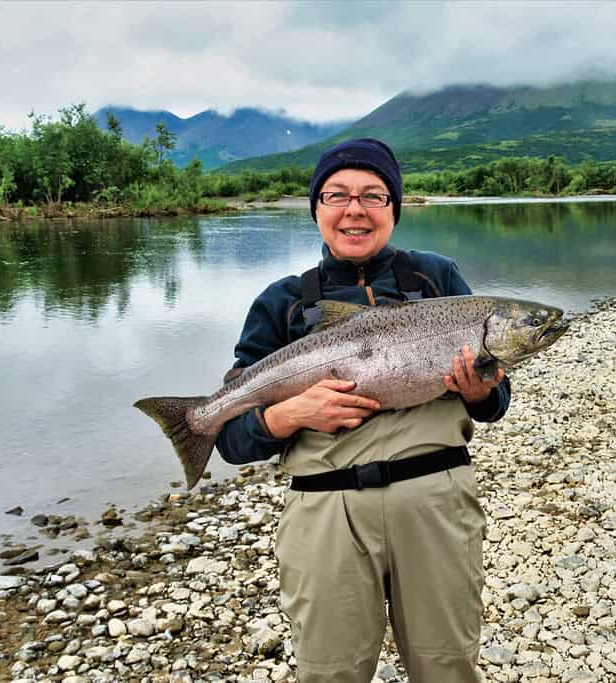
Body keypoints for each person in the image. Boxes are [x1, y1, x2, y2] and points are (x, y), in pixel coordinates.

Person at [215, 138, 511, 682]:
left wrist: (476, 389)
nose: (356, 210)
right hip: (325, 512)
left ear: (395, 208)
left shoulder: (437, 278)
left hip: (436, 501)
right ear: (318, 208)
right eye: (338, 195)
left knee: (448, 668)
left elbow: (496, 400)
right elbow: (231, 441)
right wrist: (290, 415)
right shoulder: (280, 302)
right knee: (330, 672)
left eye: (374, 195)